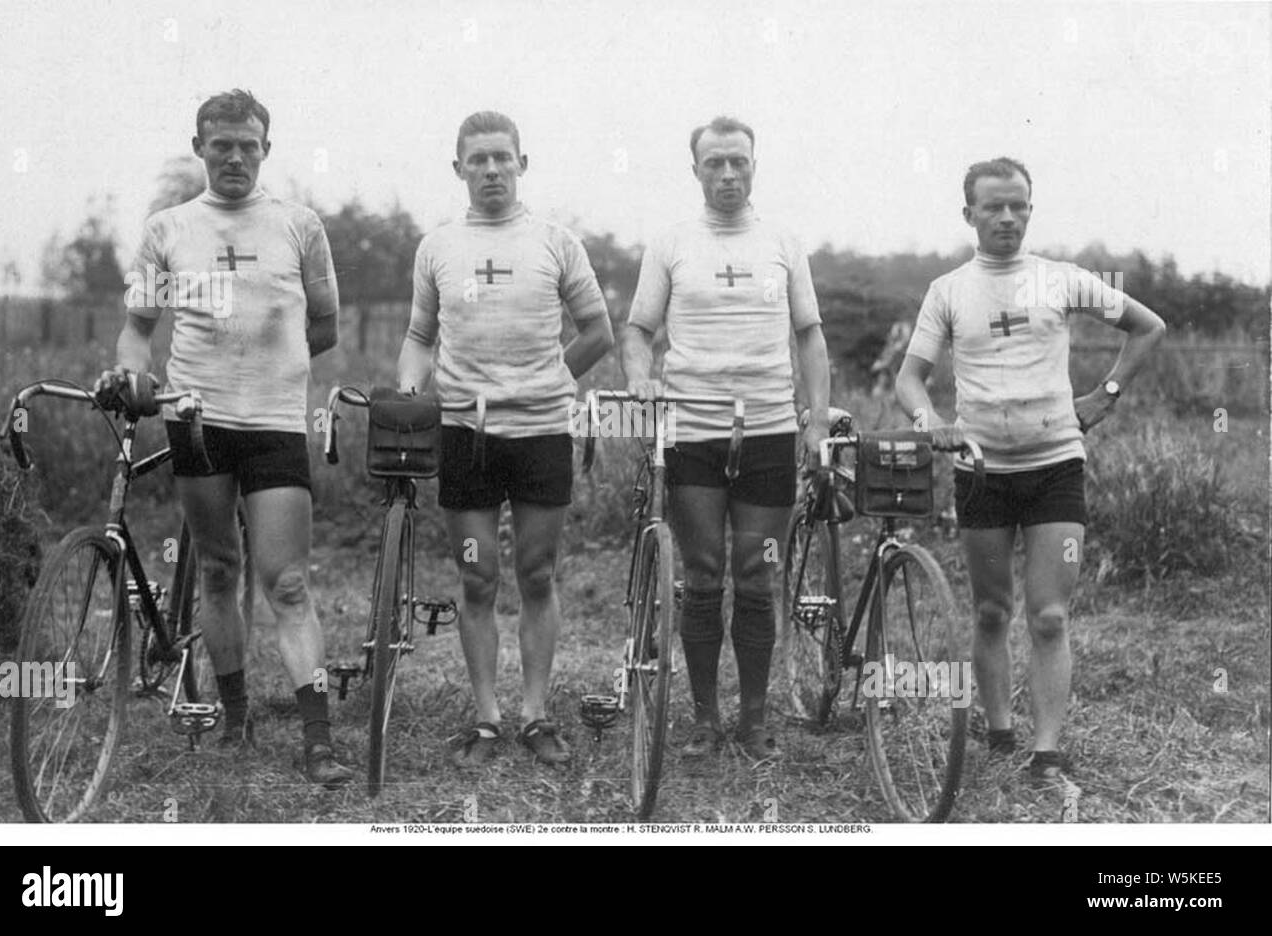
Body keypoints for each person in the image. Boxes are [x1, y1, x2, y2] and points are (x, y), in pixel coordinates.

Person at [98, 89, 352, 787]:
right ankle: (234, 715)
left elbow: (325, 325)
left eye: (248, 144)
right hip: (194, 419)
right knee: (217, 567)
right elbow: (137, 328)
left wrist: (271, 370)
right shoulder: (167, 228)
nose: (235, 156)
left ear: (266, 149)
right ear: (200, 148)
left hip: (272, 423)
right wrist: (132, 373)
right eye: (221, 144)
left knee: (288, 580)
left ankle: (318, 739)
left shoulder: (300, 225)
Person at [896, 157, 1166, 784]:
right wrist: (929, 420)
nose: (1008, 217)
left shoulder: (1063, 280)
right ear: (970, 215)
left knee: (1049, 615)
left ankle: (1047, 753)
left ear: (1030, 210)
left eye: (1019, 205)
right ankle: (997, 732)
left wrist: (1107, 393)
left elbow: (1148, 326)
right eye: (994, 206)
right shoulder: (949, 290)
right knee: (992, 611)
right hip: (981, 470)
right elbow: (911, 377)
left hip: (1054, 466)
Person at [397, 111, 614, 767]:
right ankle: (488, 717)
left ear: (523, 162)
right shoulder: (436, 246)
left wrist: (548, 382)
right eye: (478, 159)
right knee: (476, 575)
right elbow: (418, 338)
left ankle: (537, 714)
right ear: (458, 167)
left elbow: (598, 331)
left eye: (502, 157)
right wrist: (410, 389)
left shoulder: (556, 242)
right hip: (467, 434)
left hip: (542, 433)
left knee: (538, 574)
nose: (491, 169)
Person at [622, 116, 832, 761]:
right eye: (714, 163)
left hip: (767, 430)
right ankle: (705, 720)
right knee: (706, 573)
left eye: (738, 161)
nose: (728, 174)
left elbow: (809, 336)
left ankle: (755, 721)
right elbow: (637, 331)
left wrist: (816, 418)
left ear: (754, 164)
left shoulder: (782, 243)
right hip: (693, 431)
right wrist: (640, 380)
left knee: (758, 573)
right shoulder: (672, 244)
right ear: (696, 170)